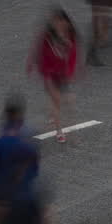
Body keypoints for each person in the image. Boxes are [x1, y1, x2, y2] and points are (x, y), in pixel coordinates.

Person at [27, 8, 78, 142]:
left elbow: (73, 55)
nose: (58, 24)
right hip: (49, 73)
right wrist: (32, 65)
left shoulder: (70, 34)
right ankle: (59, 131)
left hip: (63, 72)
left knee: (68, 100)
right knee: (56, 100)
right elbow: (37, 51)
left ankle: (53, 115)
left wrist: (71, 71)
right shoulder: (47, 36)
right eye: (55, 21)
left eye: (60, 21)